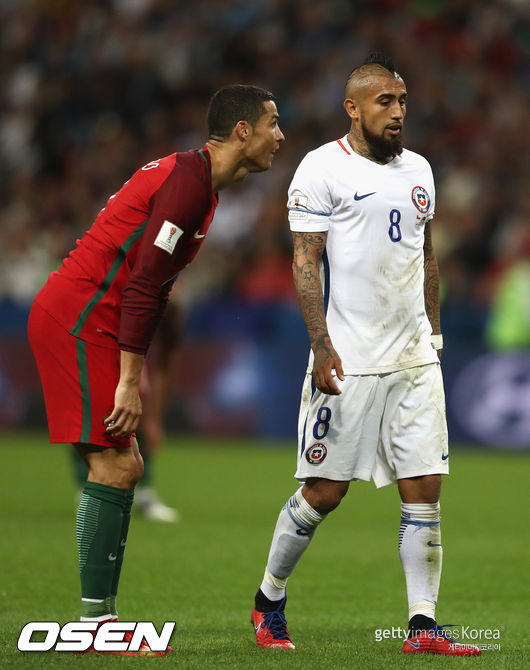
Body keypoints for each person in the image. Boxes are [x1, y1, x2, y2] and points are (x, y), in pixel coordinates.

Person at [27, 84, 284, 657]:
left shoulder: (198, 183)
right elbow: (144, 284)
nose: (280, 135)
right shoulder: (190, 187)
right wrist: (128, 381)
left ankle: (101, 622)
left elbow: (153, 286)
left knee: (120, 463)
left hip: (84, 316)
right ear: (242, 130)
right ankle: (97, 626)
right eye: (272, 123)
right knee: (118, 465)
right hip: (81, 318)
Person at [250, 54, 480, 657]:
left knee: (425, 488)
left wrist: (432, 336)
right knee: (325, 492)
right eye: (385, 101)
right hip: (347, 359)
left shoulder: (421, 170)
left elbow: (425, 256)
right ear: (352, 107)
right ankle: (269, 599)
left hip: (413, 358)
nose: (398, 112)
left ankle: (423, 626)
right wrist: (320, 344)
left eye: (402, 101)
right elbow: (305, 262)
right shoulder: (321, 169)